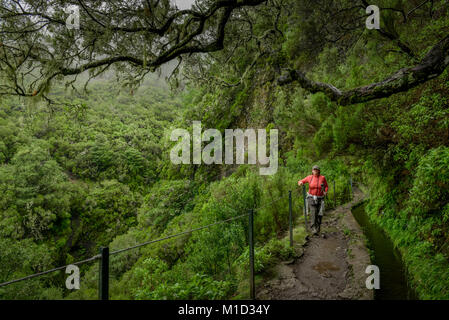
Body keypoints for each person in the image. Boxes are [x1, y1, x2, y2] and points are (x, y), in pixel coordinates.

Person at [298, 165, 328, 235]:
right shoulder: (309, 177)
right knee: (313, 212)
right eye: (314, 170)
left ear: (319, 171)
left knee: (319, 214)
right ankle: (313, 228)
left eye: (316, 170)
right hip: (311, 197)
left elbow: (326, 186)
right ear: (312, 171)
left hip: (320, 198)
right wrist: (300, 183)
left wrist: (325, 191)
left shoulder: (322, 178)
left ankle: (318, 227)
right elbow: (300, 181)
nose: (315, 171)